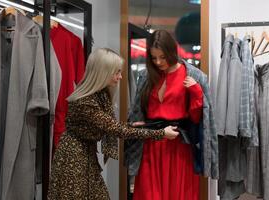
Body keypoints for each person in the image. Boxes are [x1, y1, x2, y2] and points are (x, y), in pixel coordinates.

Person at [47, 48, 179, 200]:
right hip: (73, 159)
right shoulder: (85, 102)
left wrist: (133, 126)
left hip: (85, 156)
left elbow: (111, 125)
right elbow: (116, 129)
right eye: (116, 72)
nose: (120, 77)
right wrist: (161, 133)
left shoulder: (100, 95)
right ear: (103, 72)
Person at [127, 30, 204, 200]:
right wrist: (140, 123)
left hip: (178, 146)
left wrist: (196, 92)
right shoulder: (147, 76)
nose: (158, 62)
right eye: (154, 58)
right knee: (148, 194)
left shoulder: (190, 75)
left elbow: (197, 119)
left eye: (162, 56)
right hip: (151, 145)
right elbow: (140, 109)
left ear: (171, 51)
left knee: (177, 194)